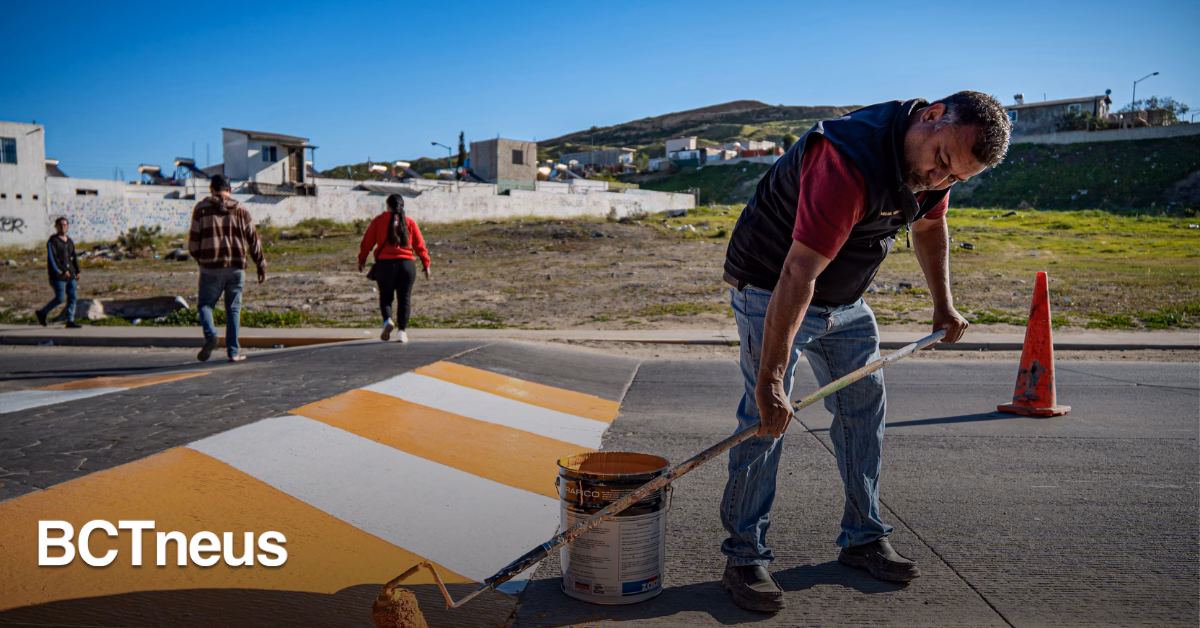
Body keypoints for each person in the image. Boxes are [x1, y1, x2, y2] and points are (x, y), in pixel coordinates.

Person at [718, 91, 1012, 612]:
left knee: (863, 411)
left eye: (955, 177)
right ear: (931, 116)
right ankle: (744, 556)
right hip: (771, 285)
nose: (939, 178)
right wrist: (771, 380)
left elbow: (930, 225)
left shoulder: (938, 167)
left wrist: (943, 306)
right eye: (941, 161)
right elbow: (798, 272)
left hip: (844, 299)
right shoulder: (846, 160)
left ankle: (863, 537)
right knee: (765, 422)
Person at [187, 174, 266, 362]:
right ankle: (233, 352)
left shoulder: (201, 209)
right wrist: (260, 264)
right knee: (233, 309)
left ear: (211, 189)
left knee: (205, 305)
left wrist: (200, 259)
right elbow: (253, 239)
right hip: (236, 267)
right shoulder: (240, 209)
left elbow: (193, 241)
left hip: (210, 267)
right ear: (229, 190)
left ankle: (211, 335)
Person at [358, 194, 430, 343]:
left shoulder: (378, 221)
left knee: (386, 297)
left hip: (385, 265)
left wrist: (362, 260)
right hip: (407, 265)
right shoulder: (409, 222)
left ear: (388, 206)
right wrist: (426, 264)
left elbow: (367, 242)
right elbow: (420, 245)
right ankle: (402, 332)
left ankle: (388, 321)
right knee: (404, 299)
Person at [35, 217, 83, 329]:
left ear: (68, 227)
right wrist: (61, 271)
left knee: (72, 297)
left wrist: (77, 270)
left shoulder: (69, 241)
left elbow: (73, 257)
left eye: (65, 225)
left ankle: (70, 320)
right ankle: (42, 312)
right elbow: (53, 259)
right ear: (56, 227)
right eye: (60, 225)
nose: (63, 227)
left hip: (70, 274)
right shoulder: (52, 241)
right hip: (57, 276)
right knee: (60, 298)